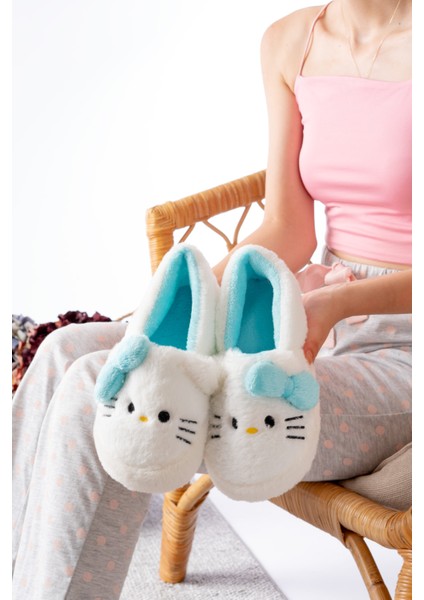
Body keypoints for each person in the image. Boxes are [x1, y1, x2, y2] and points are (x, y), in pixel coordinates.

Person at [12, 1, 412, 598]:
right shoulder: (290, 42)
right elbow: (289, 228)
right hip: (307, 311)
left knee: (105, 388)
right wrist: (155, 313)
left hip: (401, 354)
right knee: (64, 354)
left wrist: (339, 305)